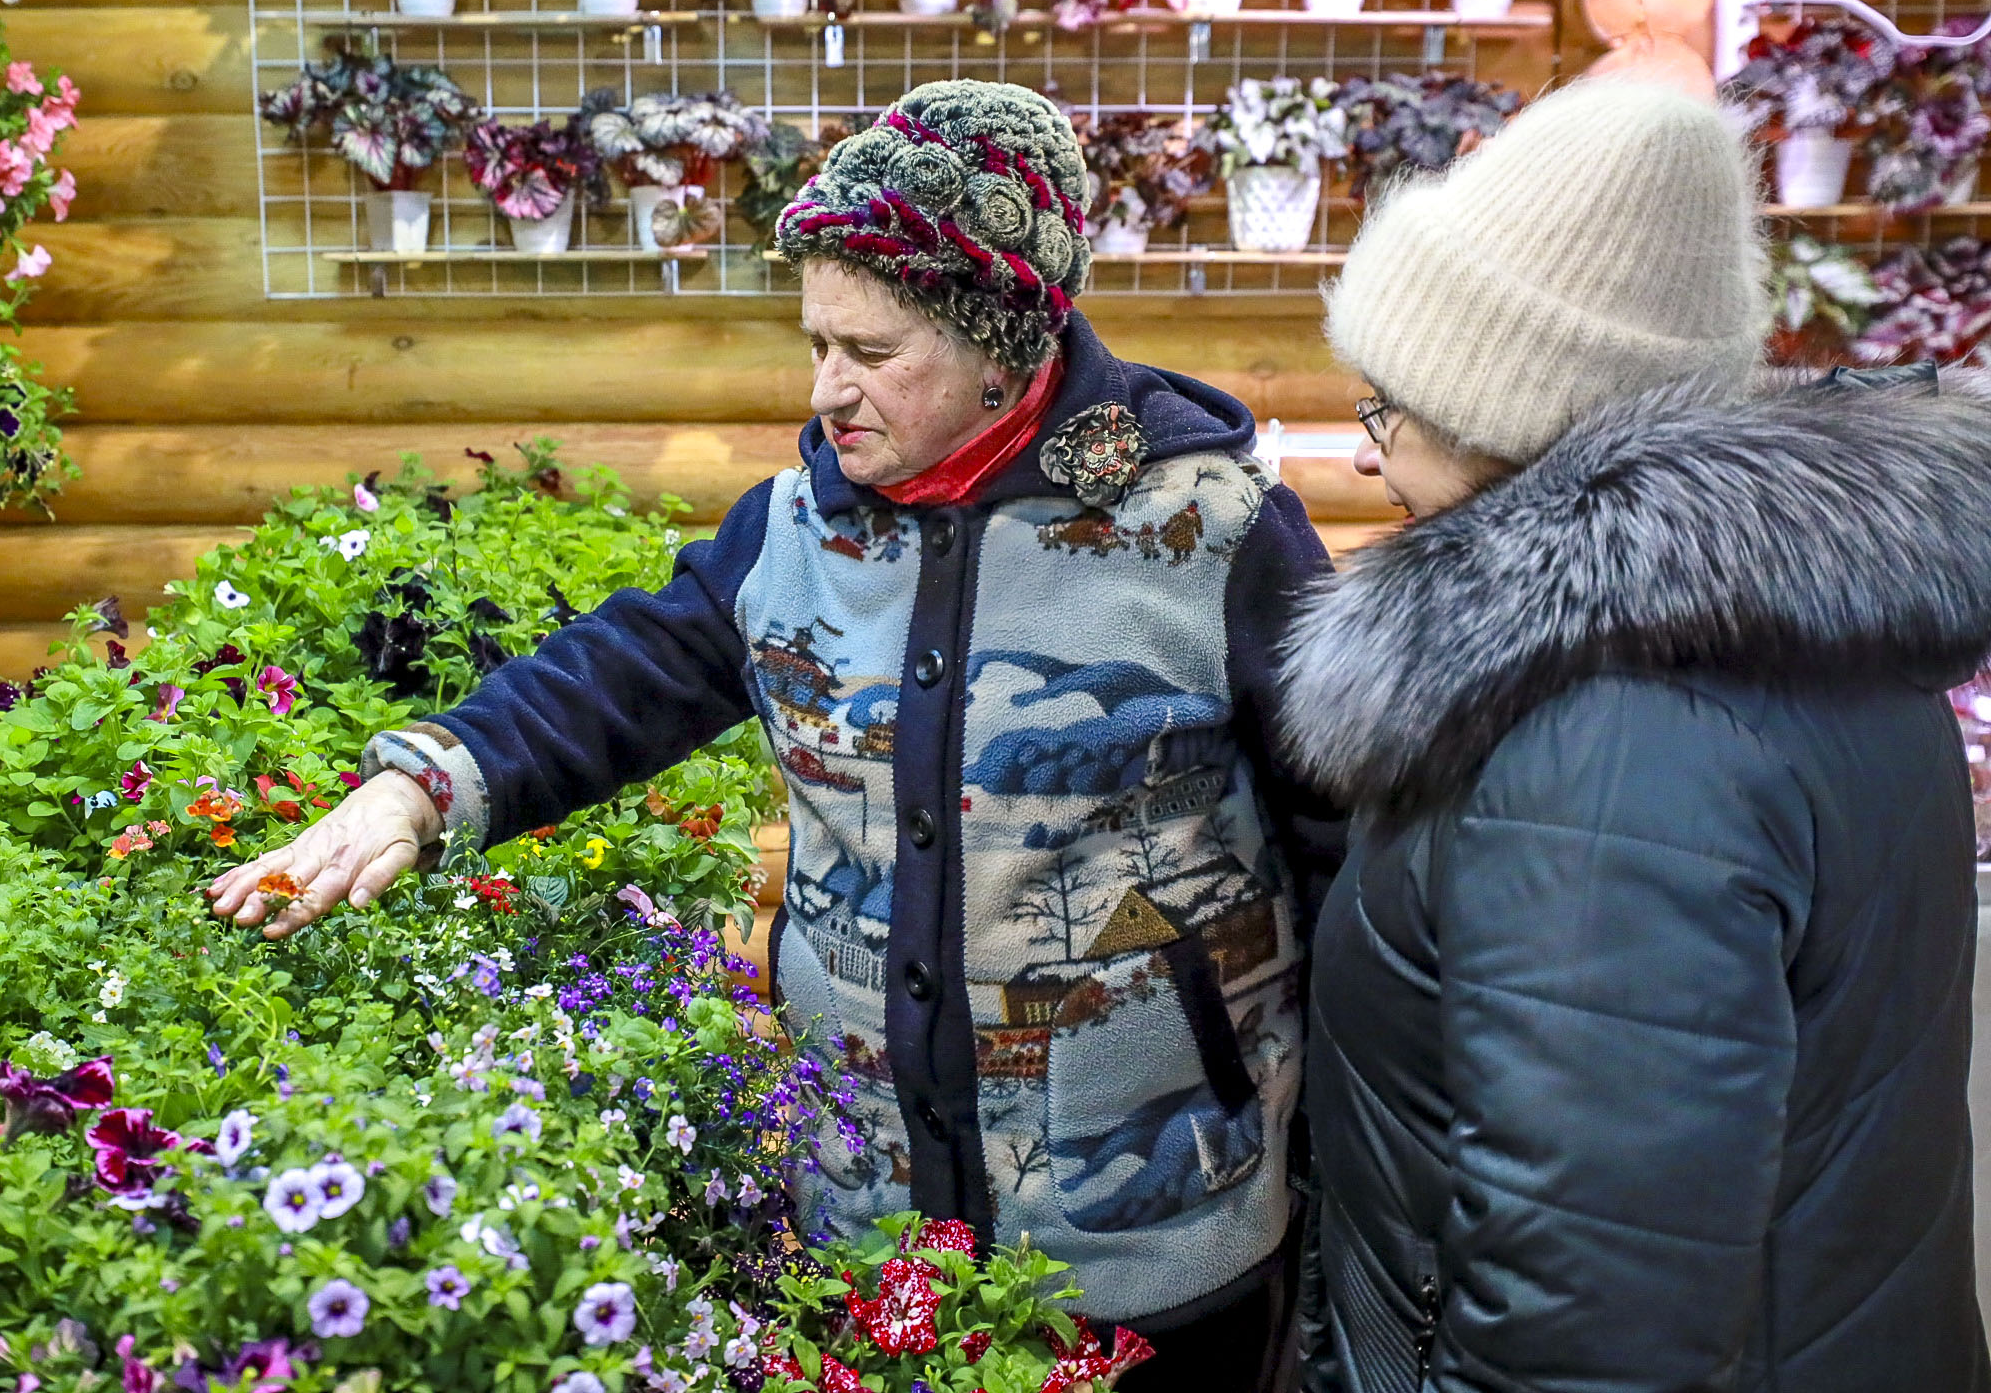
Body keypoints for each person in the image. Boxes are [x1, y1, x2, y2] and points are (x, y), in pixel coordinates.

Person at [209, 80, 1342, 1384]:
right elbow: (624, 672)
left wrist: (1347, 1162)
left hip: (1151, 1252)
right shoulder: (796, 529)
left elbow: (1345, 839)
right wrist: (420, 790)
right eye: (817, 345)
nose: (829, 391)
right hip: (868, 1242)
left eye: (872, 353)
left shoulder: (1208, 529)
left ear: (1001, 347)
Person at [1281, 75, 1991, 1392]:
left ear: (1514, 418)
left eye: (1386, 404)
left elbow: (1593, 1322)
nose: (1367, 455)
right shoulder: (1810, 629)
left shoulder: (1606, 736)